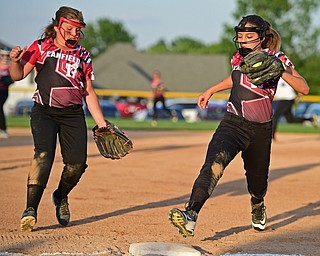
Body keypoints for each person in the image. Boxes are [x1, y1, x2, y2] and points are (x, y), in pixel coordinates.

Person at [168, 14, 310, 237]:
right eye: (240, 36)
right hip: (232, 124)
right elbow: (235, 78)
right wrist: (211, 89)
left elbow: (304, 88)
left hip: (260, 130)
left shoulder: (277, 57)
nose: (243, 40)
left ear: (262, 37)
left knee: (257, 182)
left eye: (249, 36)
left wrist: (280, 68)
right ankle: (190, 215)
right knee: (213, 165)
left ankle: (257, 204)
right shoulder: (237, 58)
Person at [10, 6, 108, 231]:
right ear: (57, 27)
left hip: (72, 114)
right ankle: (30, 209)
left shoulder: (82, 54)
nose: (75, 34)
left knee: (77, 164)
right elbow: (17, 75)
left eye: (78, 30)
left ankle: (61, 196)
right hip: (44, 112)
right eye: (70, 29)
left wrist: (102, 124)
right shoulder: (41, 47)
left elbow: (89, 92)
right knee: (43, 155)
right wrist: (15, 61)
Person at [0, 48, 14, 138]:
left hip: (3, 91)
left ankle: (3, 129)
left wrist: (5, 80)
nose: (4, 57)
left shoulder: (10, 66)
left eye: (6, 55)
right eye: (2, 55)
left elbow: (13, 79)